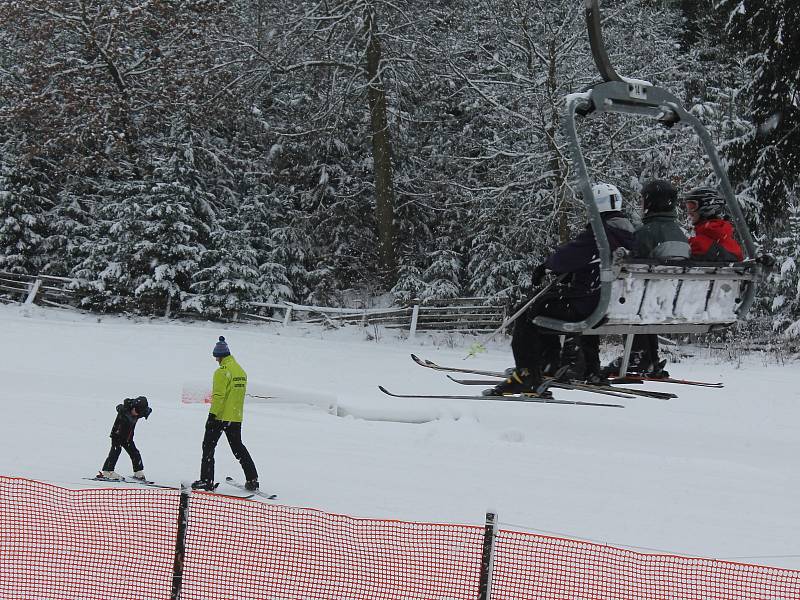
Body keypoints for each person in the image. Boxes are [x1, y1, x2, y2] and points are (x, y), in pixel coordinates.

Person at [485, 183, 636, 396]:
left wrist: (547, 266)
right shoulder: (630, 233)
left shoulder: (601, 234)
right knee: (545, 305)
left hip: (589, 304)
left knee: (529, 311)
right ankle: (547, 367)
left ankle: (528, 374)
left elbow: (568, 257)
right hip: (614, 305)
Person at [602, 180, 691, 377]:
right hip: (674, 301)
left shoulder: (645, 234)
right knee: (645, 298)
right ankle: (650, 357)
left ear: (650, 203)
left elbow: (631, 267)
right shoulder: (680, 233)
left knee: (632, 296)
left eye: (643, 200)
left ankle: (638, 356)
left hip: (647, 301)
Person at [192, 336, 259, 491]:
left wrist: (212, 415)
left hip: (220, 417)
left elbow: (219, 396)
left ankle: (206, 480)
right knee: (238, 448)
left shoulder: (222, 372)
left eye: (216, 357)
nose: (216, 360)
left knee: (208, 447)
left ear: (219, 356)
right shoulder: (240, 371)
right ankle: (252, 479)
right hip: (235, 417)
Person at [99, 396, 152, 481]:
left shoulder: (141, 411)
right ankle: (107, 471)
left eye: (140, 412)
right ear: (133, 406)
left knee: (134, 452)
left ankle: (138, 472)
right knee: (116, 451)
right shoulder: (124, 410)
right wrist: (121, 409)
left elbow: (148, 411)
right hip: (117, 435)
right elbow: (119, 407)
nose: (137, 414)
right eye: (136, 411)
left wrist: (145, 413)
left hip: (128, 437)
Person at [683, 186, 743, 262]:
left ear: (707, 207)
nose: (689, 212)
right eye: (687, 207)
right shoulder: (733, 244)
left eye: (692, 206)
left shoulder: (697, 244)